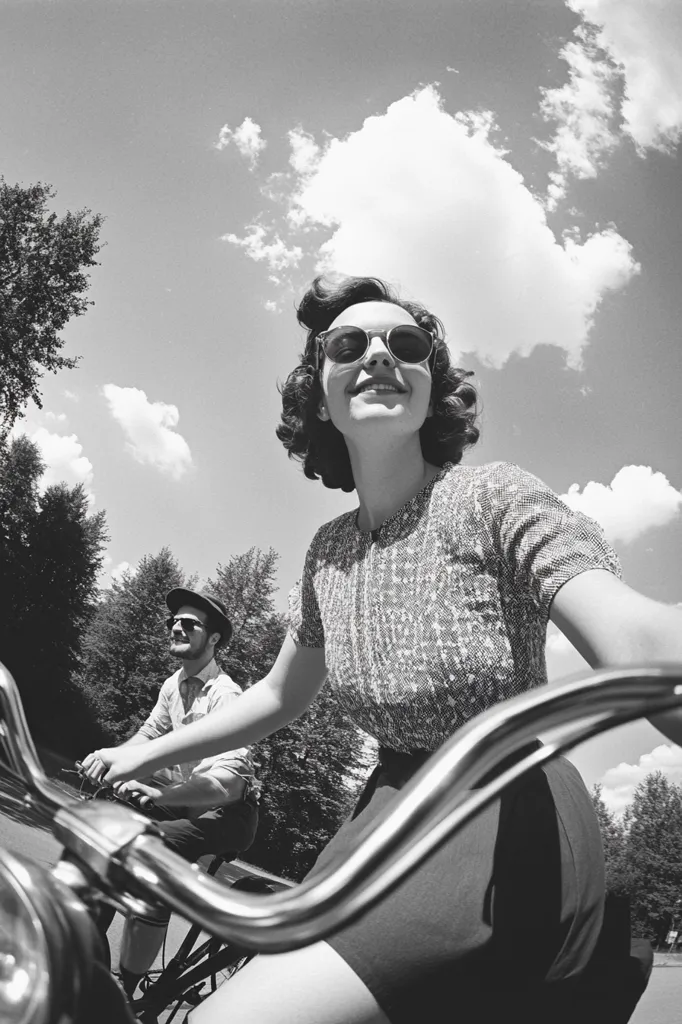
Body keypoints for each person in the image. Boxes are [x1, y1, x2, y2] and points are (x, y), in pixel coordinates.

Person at [86, 276, 682, 1024]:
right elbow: (277, 696)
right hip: (388, 805)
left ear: (434, 389)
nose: (378, 355)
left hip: (503, 798)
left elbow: (631, 629)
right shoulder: (327, 553)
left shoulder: (491, 498)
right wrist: (133, 755)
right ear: (320, 392)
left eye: (406, 345)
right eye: (349, 345)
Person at [82, 587, 259, 998]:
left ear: (213, 639)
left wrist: (159, 795)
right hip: (181, 801)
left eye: (189, 623)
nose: (176, 626)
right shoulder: (173, 684)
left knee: (152, 850)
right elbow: (149, 735)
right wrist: (108, 760)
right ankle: (86, 955)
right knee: (106, 833)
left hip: (230, 813)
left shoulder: (226, 695)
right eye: (173, 621)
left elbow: (227, 785)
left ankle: (126, 994)